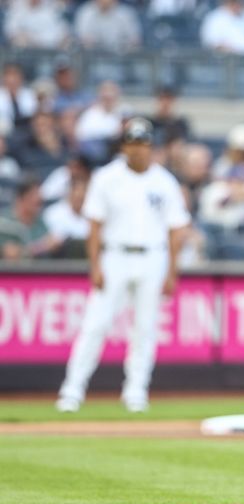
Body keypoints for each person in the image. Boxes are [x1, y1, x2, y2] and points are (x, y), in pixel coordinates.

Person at [55, 118, 190, 413]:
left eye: (143, 143)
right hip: (114, 255)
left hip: (153, 257)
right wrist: (95, 265)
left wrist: (172, 271)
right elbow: (94, 225)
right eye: (132, 143)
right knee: (95, 324)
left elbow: (176, 229)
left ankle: (136, 392)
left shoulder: (164, 180)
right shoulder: (107, 177)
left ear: (151, 146)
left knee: (145, 328)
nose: (138, 149)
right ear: (124, 145)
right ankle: (72, 391)